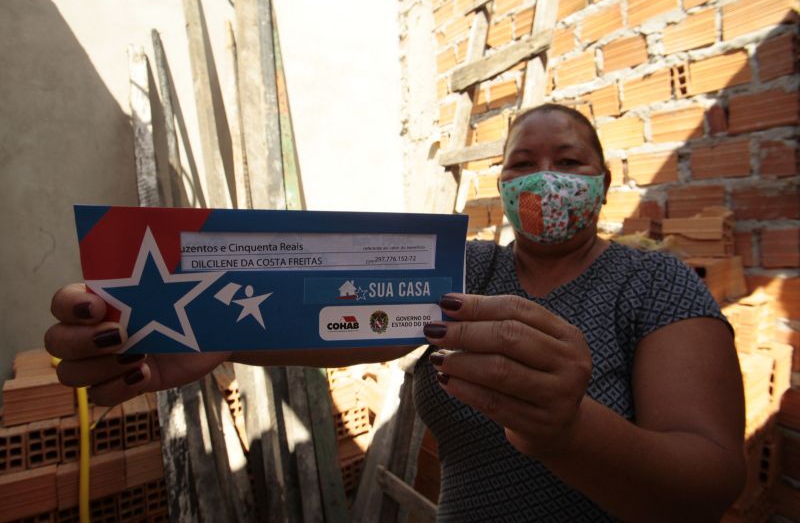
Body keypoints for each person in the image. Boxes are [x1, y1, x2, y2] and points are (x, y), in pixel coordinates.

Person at [45, 104, 745, 521]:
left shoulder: (653, 282)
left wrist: (569, 430)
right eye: (522, 163)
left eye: (569, 160)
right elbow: (346, 320)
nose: (546, 177)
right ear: (500, 185)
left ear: (603, 181)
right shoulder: (467, 271)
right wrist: (218, 336)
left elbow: (707, 489)